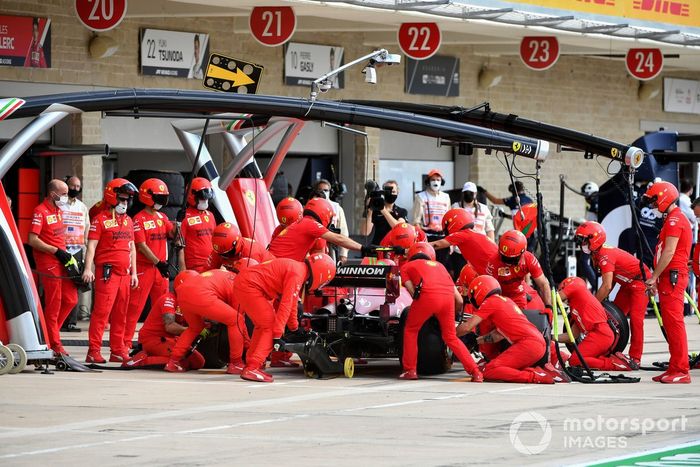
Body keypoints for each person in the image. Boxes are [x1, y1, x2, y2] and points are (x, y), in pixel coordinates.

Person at [232, 254, 336, 382]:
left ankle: (252, 364)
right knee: (269, 326)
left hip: (244, 284)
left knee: (262, 325)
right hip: (249, 286)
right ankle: (252, 368)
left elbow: (291, 303)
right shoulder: (297, 274)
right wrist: (277, 335)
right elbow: (285, 305)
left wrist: (294, 328)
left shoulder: (298, 270)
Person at [398, 242, 482, 382]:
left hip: (427, 297)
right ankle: (476, 372)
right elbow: (460, 300)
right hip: (448, 300)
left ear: (411, 255)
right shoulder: (442, 267)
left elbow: (413, 293)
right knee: (451, 337)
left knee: (411, 330)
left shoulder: (406, 266)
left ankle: (410, 370)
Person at [574, 221, 648, 367]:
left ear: (594, 238)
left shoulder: (604, 255)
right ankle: (608, 348)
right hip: (627, 284)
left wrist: (592, 304)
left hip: (640, 282)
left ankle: (635, 357)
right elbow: (611, 281)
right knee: (612, 319)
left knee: (635, 320)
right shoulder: (597, 253)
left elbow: (607, 286)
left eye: (584, 240)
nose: (581, 244)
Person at [457, 275, 555, 384]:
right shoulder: (506, 300)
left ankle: (534, 376)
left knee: (489, 370)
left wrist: (449, 334)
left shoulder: (490, 302)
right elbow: (497, 335)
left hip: (528, 344)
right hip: (538, 343)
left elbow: (467, 327)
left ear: (479, 291)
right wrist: (477, 341)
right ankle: (534, 372)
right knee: (496, 368)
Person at [82, 178, 139, 364]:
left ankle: (117, 350)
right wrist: (88, 268)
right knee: (102, 313)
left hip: (125, 274)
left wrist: (134, 273)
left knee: (121, 314)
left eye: (127, 200)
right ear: (112, 197)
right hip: (107, 273)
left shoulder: (129, 221)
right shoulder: (100, 220)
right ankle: (93, 351)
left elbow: (132, 248)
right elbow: (91, 246)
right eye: (122, 199)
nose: (125, 203)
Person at [642, 181, 692, 384]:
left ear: (663, 197)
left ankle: (681, 370)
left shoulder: (674, 220)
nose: (653, 205)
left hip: (672, 276)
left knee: (674, 323)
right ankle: (675, 367)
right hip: (669, 276)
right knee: (671, 324)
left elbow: (669, 252)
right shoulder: (673, 218)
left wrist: (653, 276)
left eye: (654, 200)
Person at [27, 179, 78, 356]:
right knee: (54, 303)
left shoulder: (58, 210)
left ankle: (50, 333)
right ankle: (55, 345)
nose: (66, 196)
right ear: (52, 194)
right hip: (49, 261)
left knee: (71, 299)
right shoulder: (40, 211)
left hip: (63, 259)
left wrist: (67, 255)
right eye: (64, 194)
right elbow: (32, 240)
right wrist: (56, 251)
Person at [167, 268, 251, 374]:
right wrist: (249, 348)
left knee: (194, 328)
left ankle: (173, 361)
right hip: (202, 294)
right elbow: (240, 324)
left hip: (183, 293)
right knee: (236, 320)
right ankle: (236, 363)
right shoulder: (241, 285)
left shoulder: (223, 274)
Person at [124, 179, 174, 350]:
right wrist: (158, 262)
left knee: (162, 308)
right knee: (135, 308)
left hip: (161, 270)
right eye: (159, 197)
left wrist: (179, 224)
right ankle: (125, 342)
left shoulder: (163, 217)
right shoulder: (138, 219)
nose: (162, 202)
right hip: (145, 269)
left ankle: (156, 340)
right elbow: (141, 246)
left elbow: (172, 233)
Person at [556, 276, 635, 371]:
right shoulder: (576, 307)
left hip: (600, 333)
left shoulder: (576, 284)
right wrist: (550, 337)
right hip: (600, 334)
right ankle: (613, 359)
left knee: (575, 360)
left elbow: (556, 297)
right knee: (579, 359)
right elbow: (571, 336)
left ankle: (614, 364)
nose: (565, 302)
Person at [128, 280, 205, 371]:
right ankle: (141, 361)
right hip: (153, 339)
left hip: (171, 339)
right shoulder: (168, 299)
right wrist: (194, 330)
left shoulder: (187, 301)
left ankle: (154, 355)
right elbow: (170, 327)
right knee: (177, 361)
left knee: (199, 362)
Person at [268, 197, 364, 262]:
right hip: (281, 269)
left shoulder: (283, 229)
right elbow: (339, 240)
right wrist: (363, 248)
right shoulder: (310, 225)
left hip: (271, 265)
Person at [485, 229, 552, 318]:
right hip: (499, 297)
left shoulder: (529, 259)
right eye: (504, 258)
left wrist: (548, 307)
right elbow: (488, 288)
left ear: (522, 253)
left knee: (519, 322)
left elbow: (543, 284)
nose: (508, 263)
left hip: (518, 296)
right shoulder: (493, 262)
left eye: (512, 259)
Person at [60, 176, 90, 331]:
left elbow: (87, 230)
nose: (76, 189)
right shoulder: (60, 205)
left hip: (77, 250)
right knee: (59, 285)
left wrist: (85, 255)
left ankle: (71, 322)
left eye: (78, 186)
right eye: (73, 186)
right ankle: (59, 321)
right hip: (61, 250)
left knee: (75, 286)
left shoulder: (82, 207)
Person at [429, 208, 497, 275]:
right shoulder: (474, 232)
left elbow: (438, 244)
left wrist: (420, 245)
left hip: (492, 268)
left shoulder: (461, 234)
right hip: (496, 265)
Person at [412, 169, 451, 265]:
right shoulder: (421, 197)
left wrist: (450, 240)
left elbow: (449, 219)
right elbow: (416, 221)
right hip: (428, 237)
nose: (436, 182)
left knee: (443, 266)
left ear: (442, 181)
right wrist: (419, 240)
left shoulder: (446, 197)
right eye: (433, 179)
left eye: (438, 179)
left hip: (443, 237)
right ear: (428, 181)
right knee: (428, 264)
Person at [179, 177, 216, 273]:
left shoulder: (210, 215)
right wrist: (183, 270)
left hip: (212, 264)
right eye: (202, 198)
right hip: (194, 267)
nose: (205, 200)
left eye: (207, 198)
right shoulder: (184, 216)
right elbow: (179, 246)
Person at [360, 180, 408, 246]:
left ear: (397, 193)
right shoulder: (375, 210)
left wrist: (383, 210)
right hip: (378, 247)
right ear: (383, 193)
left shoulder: (402, 211)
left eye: (393, 192)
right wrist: (370, 209)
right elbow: (365, 232)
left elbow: (399, 228)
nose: (391, 194)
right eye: (388, 192)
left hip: (395, 248)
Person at [313, 179, 350, 263]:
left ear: (330, 192)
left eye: (326, 190)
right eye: (320, 190)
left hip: (332, 246)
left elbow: (343, 232)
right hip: (314, 246)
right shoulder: (311, 205)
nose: (323, 192)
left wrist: (343, 253)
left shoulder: (337, 208)